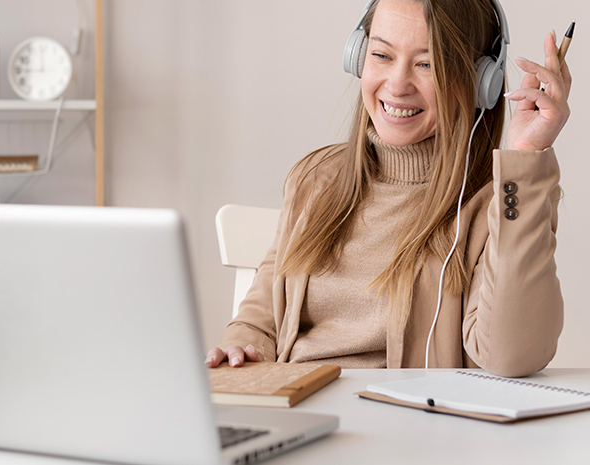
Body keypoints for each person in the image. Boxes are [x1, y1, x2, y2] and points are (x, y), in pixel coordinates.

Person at [206, 0, 571, 377]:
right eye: (381, 54)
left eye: (427, 64)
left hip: (409, 427)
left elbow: (511, 356)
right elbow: (261, 316)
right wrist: (243, 346)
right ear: (358, 56)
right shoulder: (315, 179)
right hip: (303, 410)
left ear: (481, 81)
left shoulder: (499, 199)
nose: (397, 85)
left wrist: (526, 158)